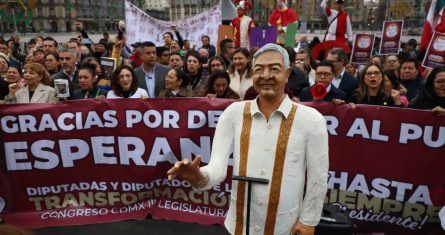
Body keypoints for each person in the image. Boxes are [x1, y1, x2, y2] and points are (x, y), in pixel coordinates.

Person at [167, 43, 328, 235]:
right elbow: (218, 167)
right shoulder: (233, 113)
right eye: (259, 69)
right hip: (239, 224)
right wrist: (199, 177)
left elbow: (318, 178)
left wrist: (308, 221)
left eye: (274, 69)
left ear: (287, 73)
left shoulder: (310, 119)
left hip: (285, 225)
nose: (266, 75)